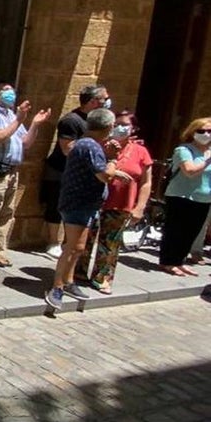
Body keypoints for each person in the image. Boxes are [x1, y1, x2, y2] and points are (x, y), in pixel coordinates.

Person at [45, 109, 130, 310]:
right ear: (108, 127)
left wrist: (113, 168)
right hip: (78, 203)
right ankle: (57, 287)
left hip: (85, 203)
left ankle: (69, 281)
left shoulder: (88, 145)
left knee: (79, 247)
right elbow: (103, 175)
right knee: (72, 247)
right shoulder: (90, 146)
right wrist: (112, 158)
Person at [0, 83, 51, 267]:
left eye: (12, 90)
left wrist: (35, 124)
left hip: (11, 170)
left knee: (6, 212)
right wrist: (19, 120)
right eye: (6, 90)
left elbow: (25, 143)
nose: (11, 94)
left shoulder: (11, 115)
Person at [78, 110, 153, 294]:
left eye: (125, 124)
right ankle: (78, 272)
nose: (120, 127)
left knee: (110, 244)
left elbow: (146, 182)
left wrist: (140, 207)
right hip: (94, 201)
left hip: (121, 204)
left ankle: (102, 277)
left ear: (133, 128)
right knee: (84, 239)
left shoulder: (140, 151)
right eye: (117, 123)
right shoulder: (100, 145)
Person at [40, 84, 110, 258]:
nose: (108, 101)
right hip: (61, 170)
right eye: (104, 98)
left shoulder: (95, 121)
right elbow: (67, 148)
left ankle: (69, 243)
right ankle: (53, 241)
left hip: (84, 174)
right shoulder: (71, 120)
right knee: (55, 206)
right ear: (93, 101)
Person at [158, 117, 211, 277]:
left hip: (203, 199)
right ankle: (168, 261)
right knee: (175, 231)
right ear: (192, 132)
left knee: (191, 232)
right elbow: (190, 171)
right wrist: (208, 161)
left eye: (209, 131)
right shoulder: (184, 150)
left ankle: (179, 261)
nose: (206, 134)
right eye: (201, 131)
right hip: (181, 197)